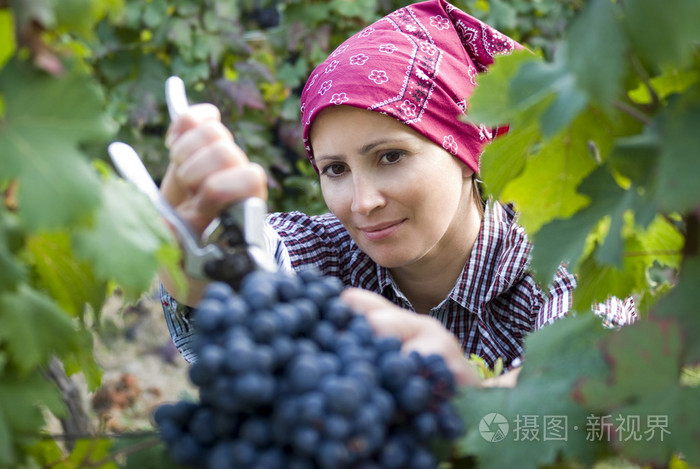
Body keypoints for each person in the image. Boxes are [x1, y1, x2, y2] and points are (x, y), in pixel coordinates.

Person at [159, 0, 636, 388]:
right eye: (335, 169)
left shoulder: (565, 266)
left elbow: (578, 386)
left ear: (471, 152)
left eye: (390, 156)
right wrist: (190, 237)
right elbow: (236, 271)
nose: (362, 203)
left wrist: (455, 403)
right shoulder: (328, 257)